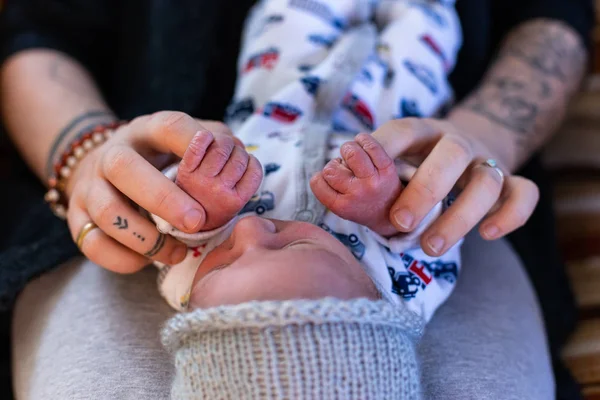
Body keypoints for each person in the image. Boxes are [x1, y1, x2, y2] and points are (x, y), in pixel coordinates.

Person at [0, 0, 592, 399]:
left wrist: (199, 190)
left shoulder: (193, 278)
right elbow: (421, 228)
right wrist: (383, 198)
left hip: (279, 64)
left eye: (226, 259)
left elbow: (174, 228)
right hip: (401, 86)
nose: (250, 233)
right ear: (373, 296)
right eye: (282, 244)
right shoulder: (402, 287)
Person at [156, 0, 464, 317]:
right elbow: (440, 245)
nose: (248, 228)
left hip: (279, 91)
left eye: (224, 263)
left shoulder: (187, 284)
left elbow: (158, 217)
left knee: (290, 18)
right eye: (290, 247)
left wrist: (199, 204)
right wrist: (389, 210)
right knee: (425, 27)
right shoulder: (399, 298)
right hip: (392, 109)